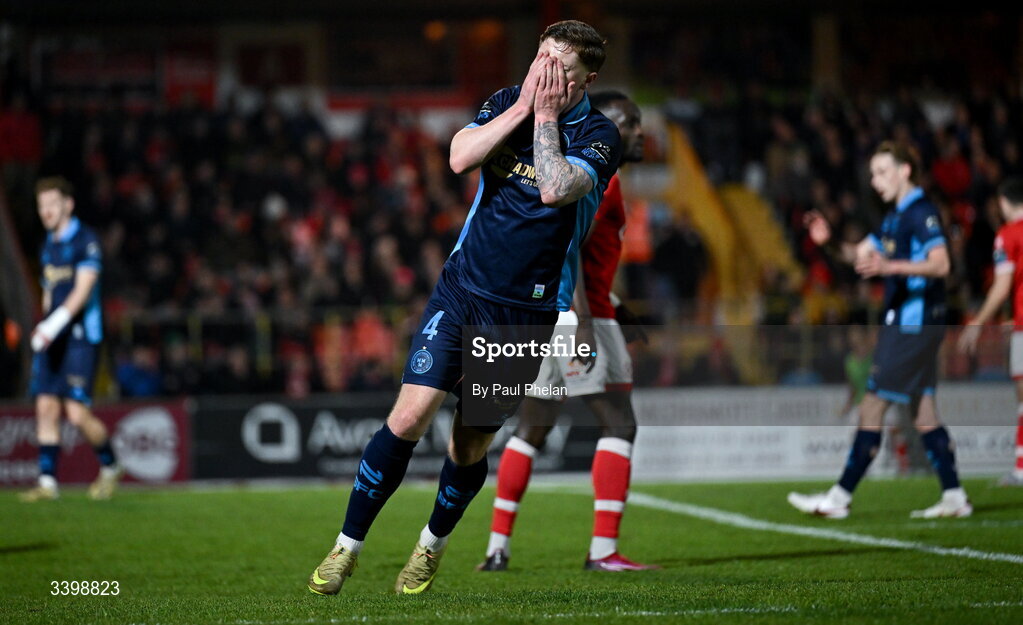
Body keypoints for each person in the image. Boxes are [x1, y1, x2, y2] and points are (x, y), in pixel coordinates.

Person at [307, 20, 622, 596]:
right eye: (541, 60)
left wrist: (546, 118)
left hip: (523, 315)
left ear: (586, 79)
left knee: (468, 443)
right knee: (406, 418)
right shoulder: (507, 101)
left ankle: (431, 546)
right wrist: (524, 107)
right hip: (461, 289)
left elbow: (554, 188)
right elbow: (458, 156)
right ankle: (345, 549)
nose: (546, 74)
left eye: (561, 69)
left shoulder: (600, 136)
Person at [476, 91, 656, 573]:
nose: (639, 131)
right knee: (620, 423)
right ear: (610, 126)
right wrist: (583, 325)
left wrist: (614, 305)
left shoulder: (584, 174)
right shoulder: (601, 180)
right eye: (632, 122)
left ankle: (497, 548)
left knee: (532, 428)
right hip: (579, 317)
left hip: (549, 316)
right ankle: (603, 552)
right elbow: (566, 251)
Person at [788, 142, 971, 519]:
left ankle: (839, 498)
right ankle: (954, 496)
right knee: (925, 413)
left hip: (913, 324)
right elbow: (857, 254)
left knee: (871, 404)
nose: (875, 181)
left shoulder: (920, 212)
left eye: (882, 171)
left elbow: (941, 265)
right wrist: (829, 242)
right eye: (872, 174)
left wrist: (890, 268)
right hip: (908, 323)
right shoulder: (893, 218)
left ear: (905, 170)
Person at [20, 176, 123, 502]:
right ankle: (47, 483)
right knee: (45, 406)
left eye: (52, 203)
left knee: (76, 414)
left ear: (68, 204)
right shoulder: (48, 246)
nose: (46, 211)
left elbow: (82, 291)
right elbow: (51, 292)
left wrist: (53, 326)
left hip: (80, 338)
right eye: (41, 205)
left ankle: (110, 464)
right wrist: (46, 325)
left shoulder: (86, 240)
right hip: (54, 339)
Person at [958, 176, 1023, 486]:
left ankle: (1022, 468)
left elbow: (1001, 288)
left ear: (1004, 202)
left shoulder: (1008, 235)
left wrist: (977, 322)